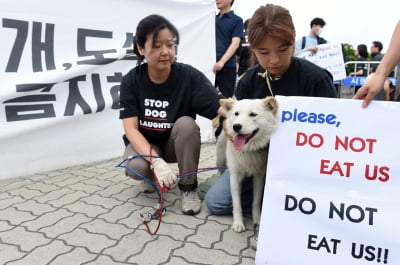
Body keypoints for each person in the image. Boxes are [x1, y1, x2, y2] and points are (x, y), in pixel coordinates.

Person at [204, 4, 337, 250]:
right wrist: (230, 127)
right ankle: (262, 197)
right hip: (253, 160)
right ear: (253, 49)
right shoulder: (248, 82)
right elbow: (232, 117)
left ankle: (275, 204)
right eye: (263, 52)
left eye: (282, 49)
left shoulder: (316, 80)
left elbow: (333, 133)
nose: (273, 60)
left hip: (299, 166)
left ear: (294, 41)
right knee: (216, 203)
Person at [119, 14, 226, 216]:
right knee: (135, 166)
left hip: (174, 144)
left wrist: (241, 115)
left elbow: (220, 106)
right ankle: (152, 175)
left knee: (187, 124)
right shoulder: (131, 81)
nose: (165, 52)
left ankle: (188, 188)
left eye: (170, 44)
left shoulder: (188, 76)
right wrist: (156, 162)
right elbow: (130, 129)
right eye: (157, 46)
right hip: (147, 144)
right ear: (141, 49)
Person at [353, 20, 400, 107]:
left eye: (372, 46)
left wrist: (379, 75)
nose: (370, 48)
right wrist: (380, 75)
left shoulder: (377, 58)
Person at [214, 0, 244, 97]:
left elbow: (235, 43)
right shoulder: (211, 19)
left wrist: (221, 62)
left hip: (227, 67)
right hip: (209, 66)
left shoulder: (237, 20)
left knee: (226, 100)